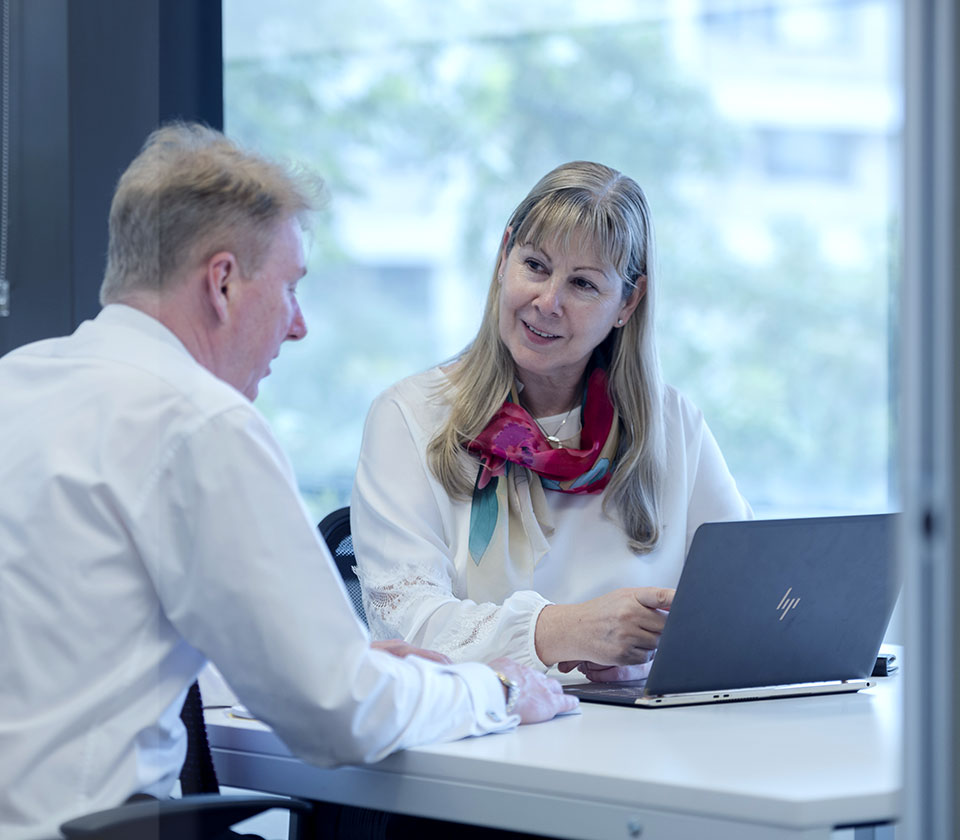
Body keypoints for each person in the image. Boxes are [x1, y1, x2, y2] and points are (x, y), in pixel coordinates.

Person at [0, 123, 576, 840]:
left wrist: (328, 659)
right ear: (222, 283)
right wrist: (493, 686)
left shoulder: (18, 384)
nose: (298, 326)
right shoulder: (197, 422)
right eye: (292, 287)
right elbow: (340, 717)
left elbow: (81, 653)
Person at [352, 160, 752, 682]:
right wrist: (563, 630)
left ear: (627, 303)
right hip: (485, 739)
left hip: (644, 738)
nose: (548, 302)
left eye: (583, 284)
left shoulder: (674, 425)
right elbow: (406, 628)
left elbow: (747, 598)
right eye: (536, 266)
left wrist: (651, 652)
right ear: (503, 257)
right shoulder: (408, 417)